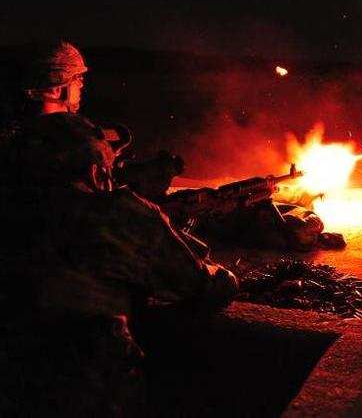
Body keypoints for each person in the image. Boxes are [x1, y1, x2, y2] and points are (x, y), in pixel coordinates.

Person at [0, 41, 238, 415]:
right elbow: (203, 286)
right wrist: (210, 264)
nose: (82, 89)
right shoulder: (118, 215)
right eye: (78, 81)